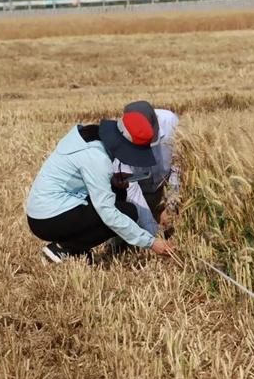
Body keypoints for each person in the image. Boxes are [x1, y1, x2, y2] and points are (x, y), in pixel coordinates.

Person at [26, 102, 175, 263]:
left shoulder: (92, 133)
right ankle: (65, 248)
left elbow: (84, 175)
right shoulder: (97, 158)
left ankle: (76, 249)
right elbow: (108, 213)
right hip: (48, 218)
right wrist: (151, 242)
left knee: (120, 192)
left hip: (47, 207)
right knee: (128, 212)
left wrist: (111, 180)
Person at [113, 103, 179, 237]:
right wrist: (153, 231)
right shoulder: (119, 141)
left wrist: (170, 207)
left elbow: (177, 166)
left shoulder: (170, 122)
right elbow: (131, 189)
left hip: (165, 188)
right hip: (140, 196)